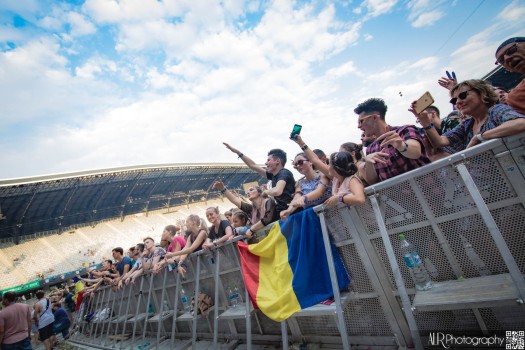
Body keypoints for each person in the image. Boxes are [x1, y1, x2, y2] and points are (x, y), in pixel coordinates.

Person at [413, 79, 525, 153]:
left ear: (482, 93)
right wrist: (425, 122)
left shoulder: (496, 111)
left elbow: (521, 123)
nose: (458, 102)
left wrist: (480, 136)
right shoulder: (467, 125)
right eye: (454, 100)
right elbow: (440, 142)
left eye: (463, 95)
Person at [355, 97, 431, 185]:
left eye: (361, 121)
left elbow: (416, 152)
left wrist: (401, 146)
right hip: (399, 198)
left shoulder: (404, 131)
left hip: (429, 193)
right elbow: (373, 181)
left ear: (374, 117)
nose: (358, 126)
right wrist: (369, 163)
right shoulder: (370, 149)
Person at [223, 143, 295, 215]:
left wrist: (265, 192)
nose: (266, 163)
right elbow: (253, 165)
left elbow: (277, 191)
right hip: (284, 214)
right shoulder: (273, 176)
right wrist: (238, 152)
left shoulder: (284, 173)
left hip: (292, 213)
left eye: (268, 160)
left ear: (277, 161)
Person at [212, 181, 278, 240]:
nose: (248, 192)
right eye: (247, 192)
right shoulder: (251, 208)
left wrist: (251, 229)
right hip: (266, 238)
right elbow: (235, 200)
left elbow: (267, 219)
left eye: (251, 190)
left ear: (259, 192)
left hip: (277, 234)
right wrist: (223, 189)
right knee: (237, 230)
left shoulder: (269, 201)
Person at [279, 152, 332, 220]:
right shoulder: (299, 184)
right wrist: (288, 211)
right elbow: (296, 198)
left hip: (334, 214)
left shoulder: (323, 175)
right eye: (296, 165)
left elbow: (320, 191)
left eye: (300, 162)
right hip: (315, 221)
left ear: (310, 162)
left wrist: (303, 198)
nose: (298, 166)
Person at [495, 37, 525, 114]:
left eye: (511, 50)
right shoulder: (516, 97)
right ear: (508, 69)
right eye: (501, 60)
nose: (507, 58)